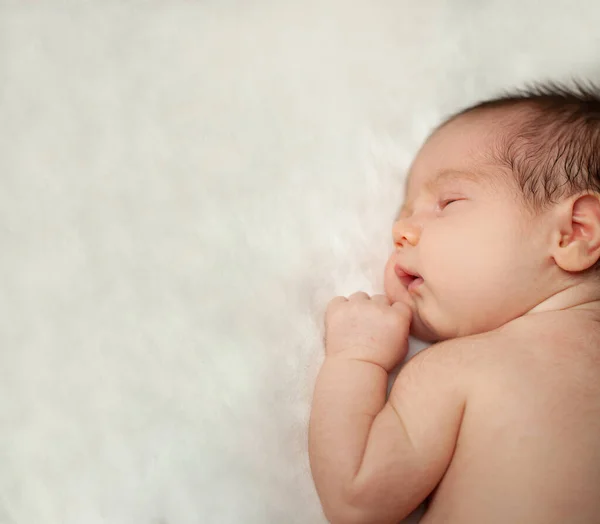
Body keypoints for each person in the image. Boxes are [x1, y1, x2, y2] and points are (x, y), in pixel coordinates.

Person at [308, 82, 600, 524]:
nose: (401, 232)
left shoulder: (462, 365)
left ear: (574, 232)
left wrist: (355, 359)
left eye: (446, 203)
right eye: (402, 215)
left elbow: (357, 499)